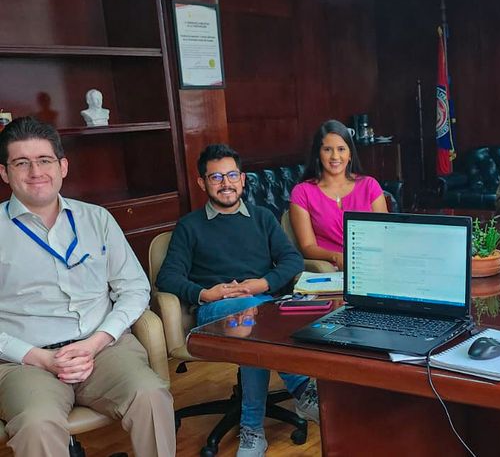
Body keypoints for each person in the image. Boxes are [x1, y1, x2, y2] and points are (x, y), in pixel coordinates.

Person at [0, 117, 175, 457]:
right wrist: (38, 357)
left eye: (45, 160)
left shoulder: (97, 219)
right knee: (37, 424)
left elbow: (134, 288)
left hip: (104, 350)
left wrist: (98, 341)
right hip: (25, 361)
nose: (35, 172)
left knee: (151, 396)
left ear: (63, 166)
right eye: (21, 163)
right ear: (5, 173)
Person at [155, 144, 316, 457]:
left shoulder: (263, 217)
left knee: (253, 322)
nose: (225, 183)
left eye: (231, 175)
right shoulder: (190, 226)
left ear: (242, 179)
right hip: (215, 312)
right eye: (216, 177)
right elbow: (168, 277)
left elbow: (292, 260)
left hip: (264, 306)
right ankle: (300, 390)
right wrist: (206, 293)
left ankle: (253, 429)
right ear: (202, 182)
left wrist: (262, 283)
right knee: (252, 319)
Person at [290, 119, 388, 268]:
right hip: (330, 270)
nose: (335, 156)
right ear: (318, 154)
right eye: (327, 149)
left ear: (350, 154)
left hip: (370, 266)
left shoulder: (369, 185)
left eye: (341, 149)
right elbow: (307, 247)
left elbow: (385, 234)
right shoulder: (302, 192)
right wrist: (336, 256)